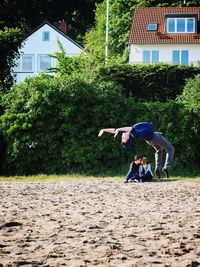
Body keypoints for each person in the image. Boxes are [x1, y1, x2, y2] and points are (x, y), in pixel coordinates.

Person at [98, 122, 174, 178]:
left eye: (122, 138)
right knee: (170, 149)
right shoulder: (134, 133)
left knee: (159, 151)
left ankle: (157, 169)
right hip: (155, 137)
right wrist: (119, 129)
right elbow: (130, 128)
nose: (122, 136)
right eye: (124, 138)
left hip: (150, 140)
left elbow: (114, 130)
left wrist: (104, 130)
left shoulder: (126, 132)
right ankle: (166, 167)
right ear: (128, 139)